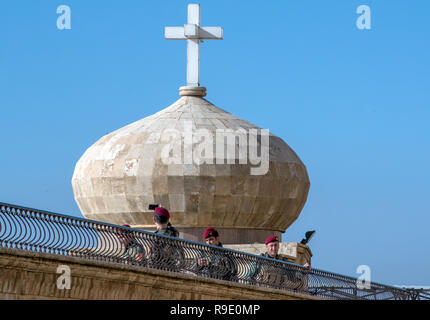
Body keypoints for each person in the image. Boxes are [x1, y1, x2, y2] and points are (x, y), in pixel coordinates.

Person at [246, 236, 311, 290]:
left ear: (278, 246)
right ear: (266, 247)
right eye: (271, 246)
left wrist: (303, 270)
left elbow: (294, 278)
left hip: (277, 293)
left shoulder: (283, 262)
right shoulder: (259, 260)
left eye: (276, 245)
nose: (274, 248)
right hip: (262, 292)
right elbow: (248, 277)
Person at [148, 206, 183, 270]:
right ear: (168, 219)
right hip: (172, 268)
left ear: (154, 220)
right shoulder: (174, 233)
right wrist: (162, 212)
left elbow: (151, 257)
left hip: (158, 269)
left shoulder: (153, 237)